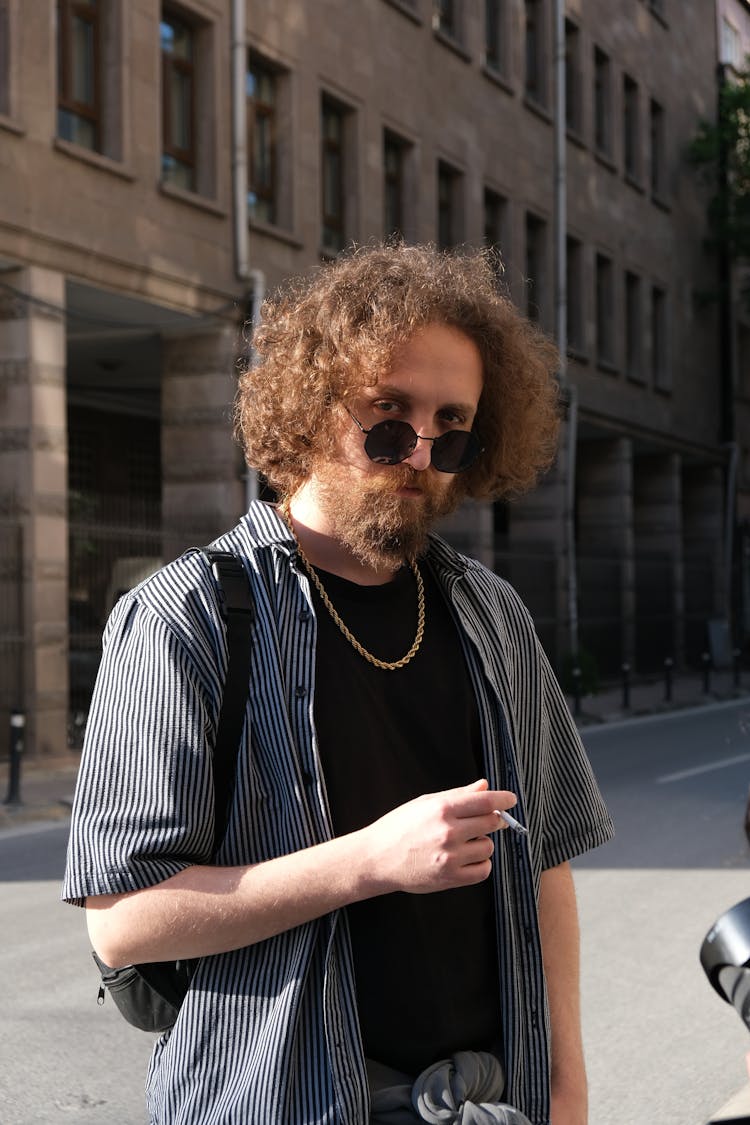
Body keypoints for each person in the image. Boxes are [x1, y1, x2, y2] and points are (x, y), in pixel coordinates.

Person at [63, 243, 613, 1125]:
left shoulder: (488, 612)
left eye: (452, 426)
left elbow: (542, 862)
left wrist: (566, 1091)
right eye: (388, 417)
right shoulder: (185, 616)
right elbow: (123, 917)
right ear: (313, 407)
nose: (420, 451)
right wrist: (370, 860)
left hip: (488, 1098)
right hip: (280, 1098)